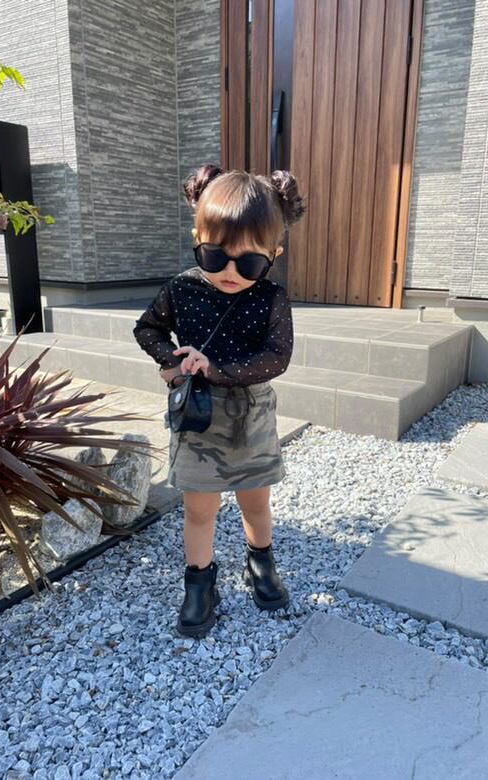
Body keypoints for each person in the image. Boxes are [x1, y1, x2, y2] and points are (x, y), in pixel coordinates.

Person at [133, 163, 306, 638]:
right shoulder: (182, 289)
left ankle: (260, 562)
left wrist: (215, 368)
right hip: (198, 416)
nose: (231, 271)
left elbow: (277, 356)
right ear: (197, 240)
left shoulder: (271, 298)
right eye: (216, 256)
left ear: (273, 254)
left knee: (255, 501)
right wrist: (171, 361)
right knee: (198, 509)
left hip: (251, 414)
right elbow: (146, 328)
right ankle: (199, 581)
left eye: (248, 263)